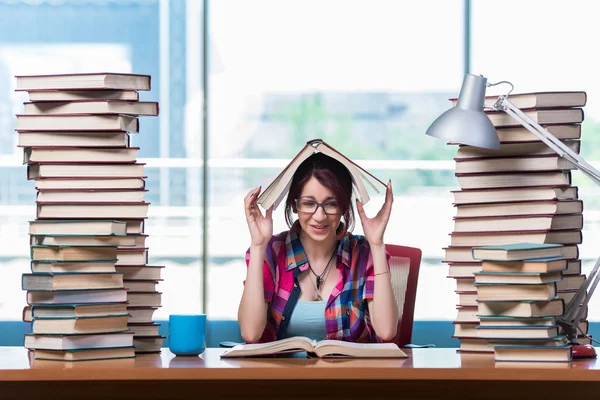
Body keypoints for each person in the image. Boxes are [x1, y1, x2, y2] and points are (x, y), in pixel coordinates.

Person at [238, 152, 398, 343]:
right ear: (294, 205)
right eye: (309, 203)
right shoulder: (271, 251)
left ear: (345, 207)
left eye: (331, 204)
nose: (320, 216)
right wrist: (258, 246)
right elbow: (250, 333)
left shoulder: (363, 252)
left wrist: (377, 245)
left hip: (349, 372)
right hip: (281, 373)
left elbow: (386, 331)